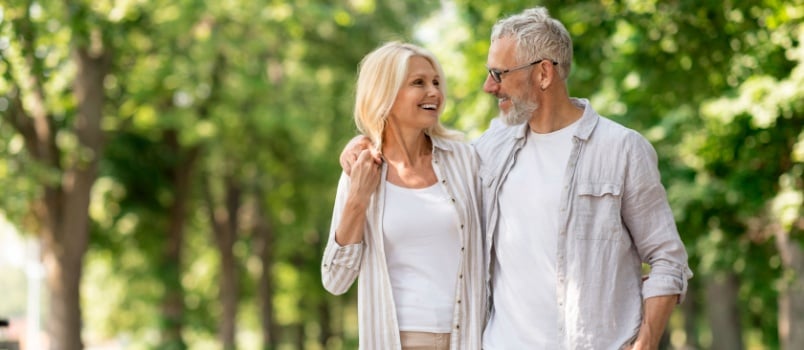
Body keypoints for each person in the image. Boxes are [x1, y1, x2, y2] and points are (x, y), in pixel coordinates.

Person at [340, 7, 693, 350]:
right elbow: (422, 154)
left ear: (543, 73)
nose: (488, 87)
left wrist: (646, 340)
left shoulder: (622, 149)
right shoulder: (490, 150)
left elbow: (667, 258)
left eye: (499, 74)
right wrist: (365, 143)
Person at [321, 41, 486, 350]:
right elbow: (335, 280)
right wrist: (357, 199)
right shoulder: (360, 170)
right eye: (418, 83)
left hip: (468, 337)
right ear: (386, 94)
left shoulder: (466, 161)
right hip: (399, 340)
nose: (434, 92)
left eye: (436, 82)